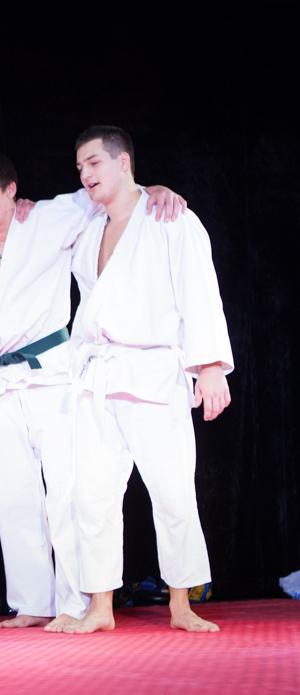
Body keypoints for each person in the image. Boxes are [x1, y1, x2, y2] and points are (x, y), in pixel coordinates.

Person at [0, 151, 186, 631]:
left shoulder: (49, 217)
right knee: (13, 497)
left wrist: (154, 190)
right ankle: (32, 602)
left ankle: (77, 601)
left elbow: (108, 193)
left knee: (67, 491)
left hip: (52, 373)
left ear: (12, 190)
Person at [56, 126, 232, 634]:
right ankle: (100, 607)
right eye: (80, 167)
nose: (85, 174)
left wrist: (210, 367)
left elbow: (200, 289)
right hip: (97, 376)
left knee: (173, 492)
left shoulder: (170, 219)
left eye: (94, 163)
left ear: (123, 161)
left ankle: (182, 603)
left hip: (153, 372)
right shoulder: (88, 227)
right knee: (92, 495)